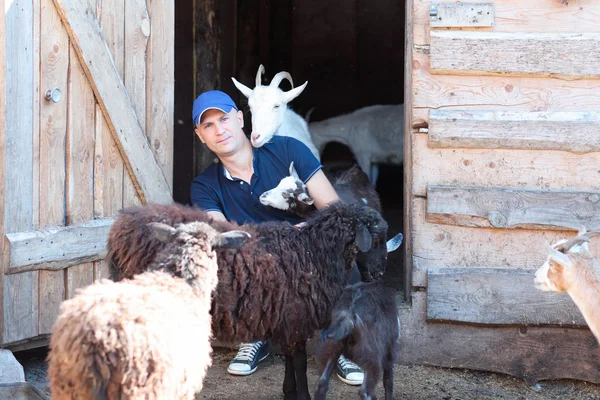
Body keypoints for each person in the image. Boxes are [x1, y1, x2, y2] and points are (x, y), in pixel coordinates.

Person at [190, 90, 365, 385]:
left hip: (310, 254)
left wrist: (307, 234)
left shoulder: (288, 150)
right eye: (208, 126)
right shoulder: (204, 185)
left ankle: (342, 344)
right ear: (200, 135)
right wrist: (277, 243)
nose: (219, 130)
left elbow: (334, 211)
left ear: (241, 119)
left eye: (223, 119)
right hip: (258, 262)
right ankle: (254, 335)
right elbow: (225, 235)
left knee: (340, 247)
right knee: (222, 260)